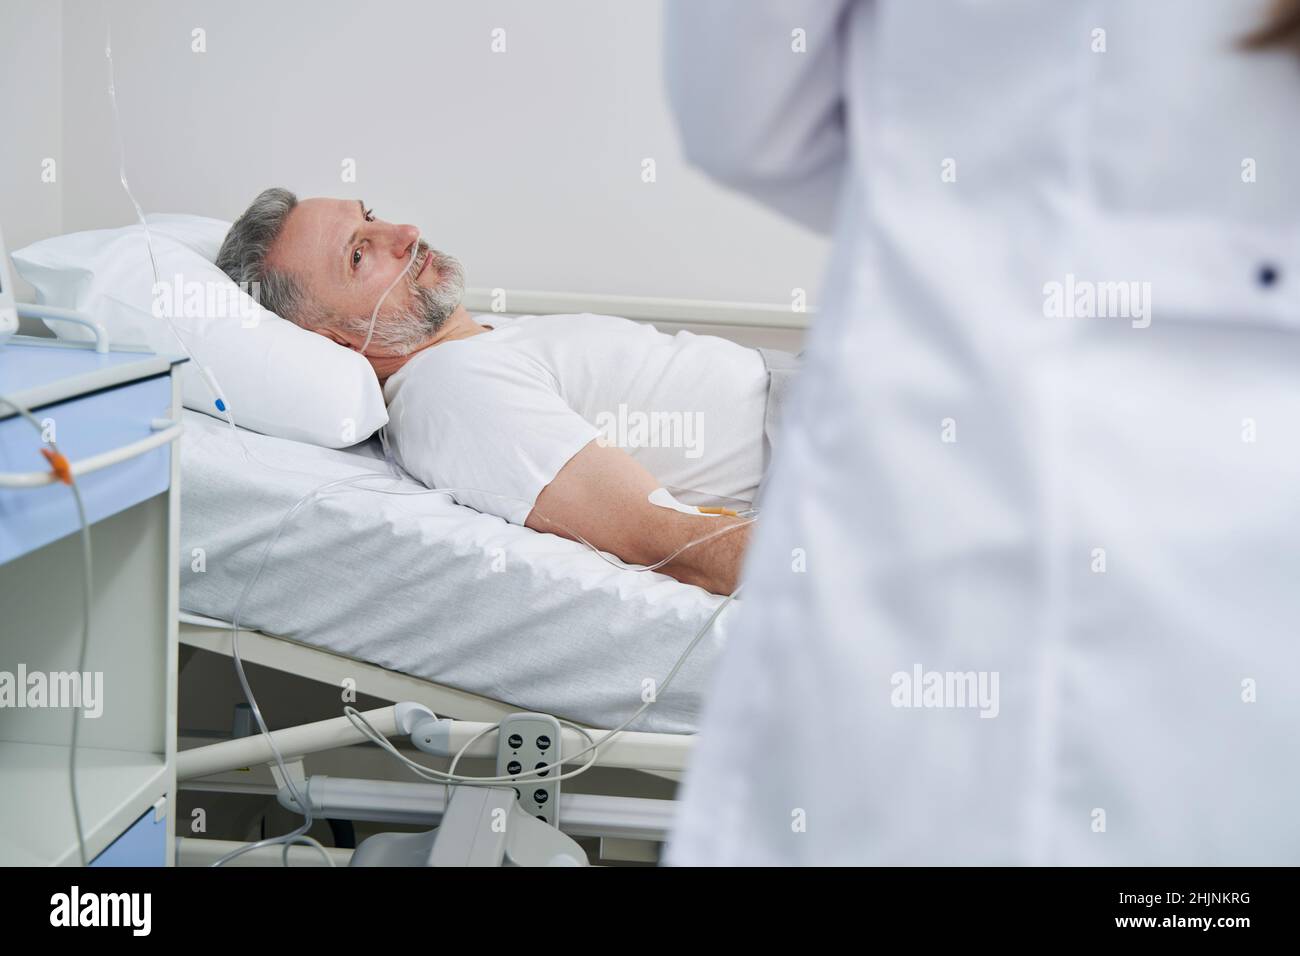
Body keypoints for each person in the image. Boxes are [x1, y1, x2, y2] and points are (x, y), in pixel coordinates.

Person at [663, 0, 1300, 863]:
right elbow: (635, 525)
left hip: (988, 477)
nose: (410, 231)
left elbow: (743, 125)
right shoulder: (468, 380)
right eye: (402, 244)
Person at [217, 189, 797, 594]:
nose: (406, 234)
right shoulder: (452, 389)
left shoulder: (471, 348)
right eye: (358, 253)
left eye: (371, 217)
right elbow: (671, 545)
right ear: (333, 341)